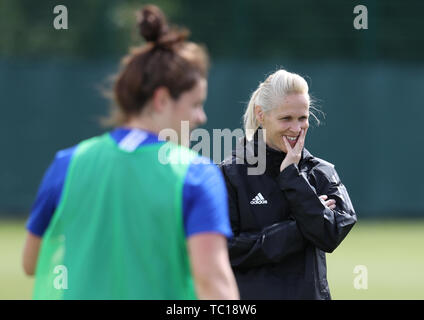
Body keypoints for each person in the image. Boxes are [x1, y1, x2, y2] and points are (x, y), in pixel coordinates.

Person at [22, 5, 239, 300]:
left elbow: (31, 262)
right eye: (195, 104)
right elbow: (214, 286)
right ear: (162, 99)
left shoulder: (67, 163)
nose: (201, 117)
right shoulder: (196, 173)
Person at [219, 69, 357, 299]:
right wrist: (299, 228)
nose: (296, 128)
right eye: (286, 119)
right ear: (261, 115)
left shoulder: (320, 172)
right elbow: (225, 250)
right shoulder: (230, 174)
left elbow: (330, 234)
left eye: (302, 118)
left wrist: (292, 176)